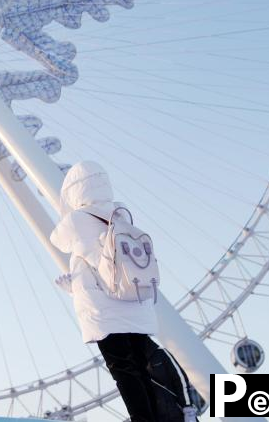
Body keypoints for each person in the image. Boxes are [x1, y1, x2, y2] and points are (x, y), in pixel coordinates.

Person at [50, 161, 193, 422]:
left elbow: (57, 240)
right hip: (136, 301)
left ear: (74, 190)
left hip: (105, 313)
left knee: (123, 371)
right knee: (141, 368)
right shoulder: (121, 212)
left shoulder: (76, 220)